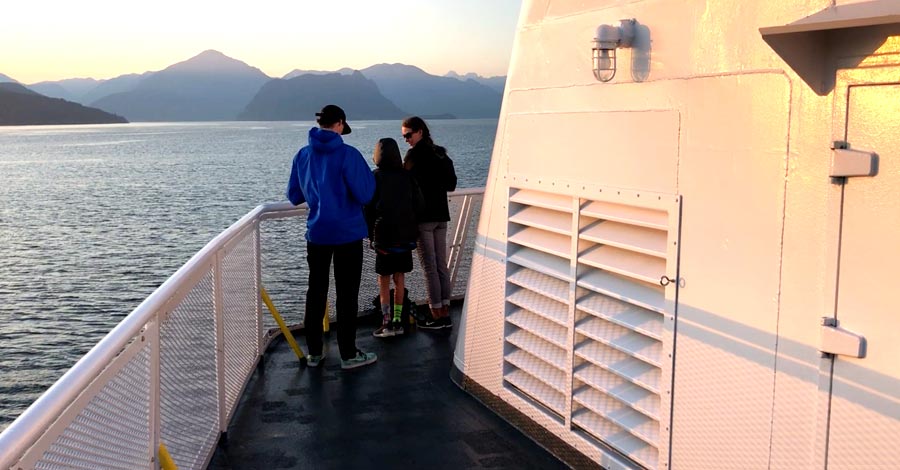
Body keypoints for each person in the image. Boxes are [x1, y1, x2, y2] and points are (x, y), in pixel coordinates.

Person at [286, 104, 378, 370]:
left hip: (317, 233)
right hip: (348, 233)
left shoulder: (302, 156)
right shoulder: (349, 155)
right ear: (339, 124)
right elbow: (365, 194)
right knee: (347, 293)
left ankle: (314, 353)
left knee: (316, 292)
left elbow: (294, 196)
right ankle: (348, 354)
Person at [401, 116, 457, 329]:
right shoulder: (440, 153)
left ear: (420, 132)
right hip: (441, 216)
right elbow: (451, 184)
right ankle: (445, 311)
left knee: (430, 268)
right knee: (441, 265)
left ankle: (437, 315)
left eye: (408, 134)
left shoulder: (413, 157)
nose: (406, 139)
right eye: (404, 136)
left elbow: (404, 187)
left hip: (423, 219)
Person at [365, 138, 424, 338]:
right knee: (400, 278)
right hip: (406, 237)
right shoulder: (407, 177)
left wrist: (369, 234)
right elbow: (419, 205)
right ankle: (399, 321)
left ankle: (387, 322)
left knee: (383, 280)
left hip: (383, 237)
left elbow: (368, 208)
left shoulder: (375, 177)